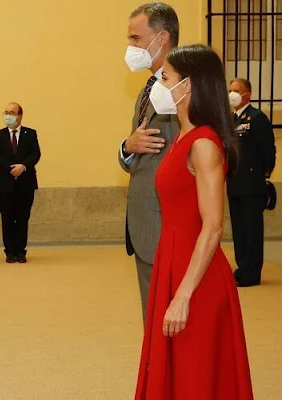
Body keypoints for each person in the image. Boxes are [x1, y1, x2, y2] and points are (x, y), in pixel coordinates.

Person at [135, 44, 253, 400]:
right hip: (173, 264)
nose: (159, 84)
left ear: (187, 86)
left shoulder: (203, 143)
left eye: (166, 78)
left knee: (195, 377)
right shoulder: (182, 137)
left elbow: (214, 226)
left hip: (196, 279)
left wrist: (183, 295)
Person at [119, 2, 180, 322]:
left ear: (162, 38)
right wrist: (127, 147)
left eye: (136, 38)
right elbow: (138, 151)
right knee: (154, 315)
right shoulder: (149, 89)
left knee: (168, 318)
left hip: (166, 225)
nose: (130, 47)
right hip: (146, 223)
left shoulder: (181, 88)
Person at [227, 78, 276, 287]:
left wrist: (264, 175)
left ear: (247, 94)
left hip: (252, 183)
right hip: (235, 183)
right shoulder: (231, 120)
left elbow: (268, 150)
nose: (231, 94)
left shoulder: (256, 118)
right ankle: (242, 267)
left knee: (252, 229)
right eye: (230, 90)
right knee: (239, 229)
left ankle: (252, 273)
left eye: (236, 90)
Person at [0, 103, 41, 263]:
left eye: (12, 112)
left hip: (25, 184)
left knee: (22, 217)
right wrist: (9, 168)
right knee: (7, 218)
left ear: (20, 116)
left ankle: (21, 251)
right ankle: (9, 251)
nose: (8, 115)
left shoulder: (30, 134)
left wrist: (23, 166)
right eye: (6, 112)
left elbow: (36, 154)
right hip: (4, 184)